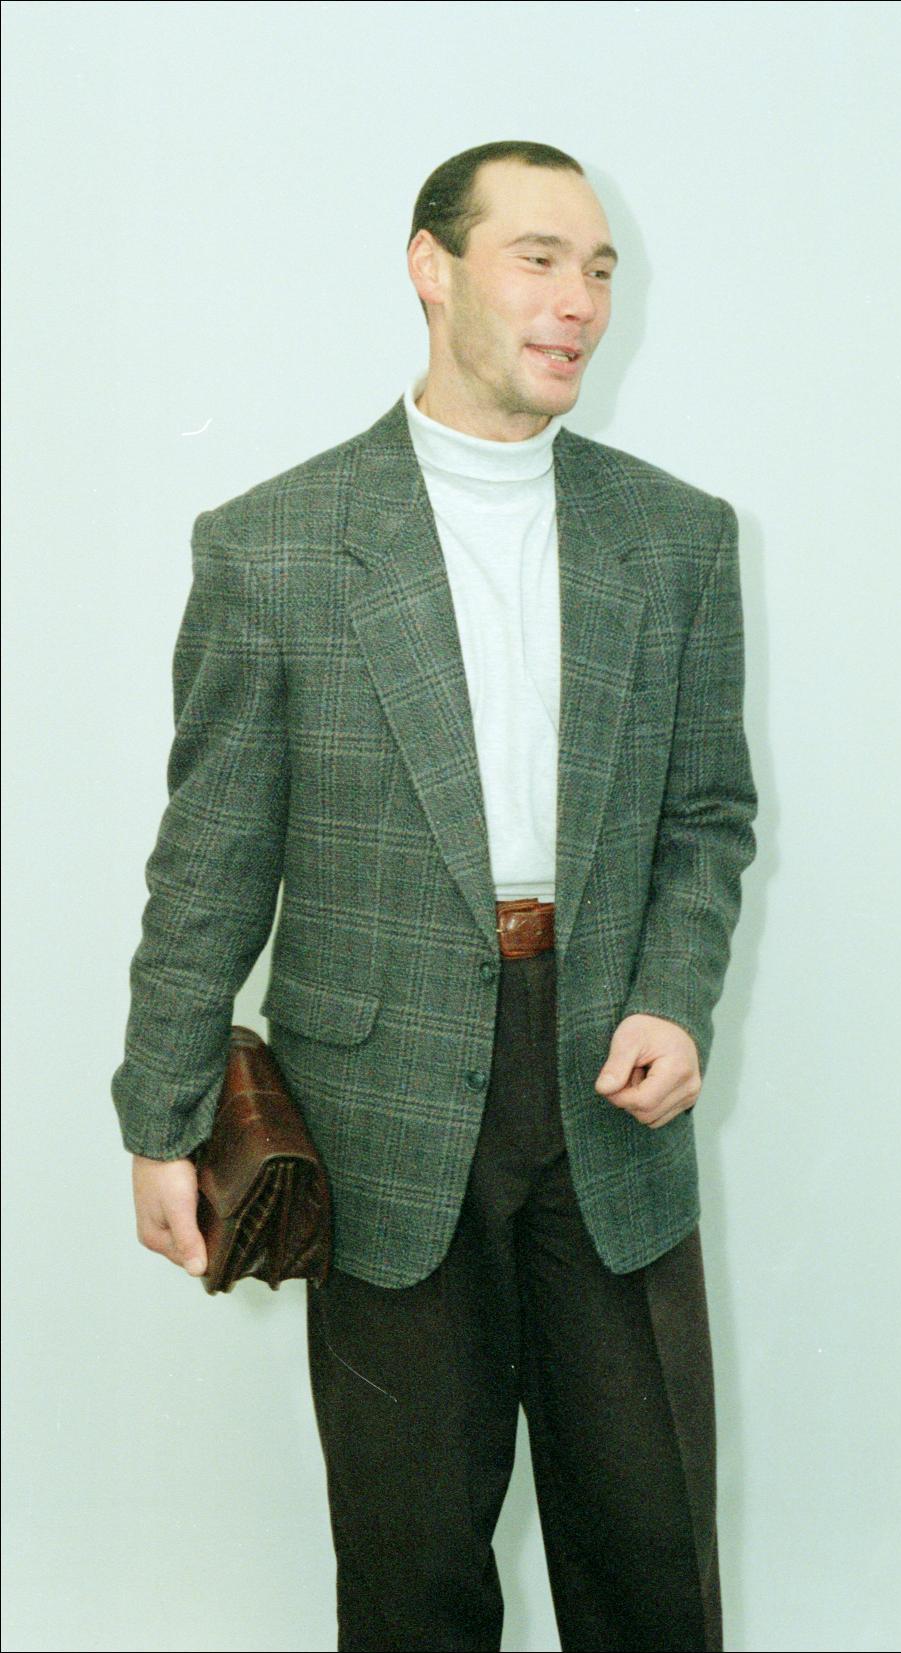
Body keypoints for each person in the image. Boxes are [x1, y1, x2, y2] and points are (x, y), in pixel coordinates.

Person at [114, 138, 758, 1653]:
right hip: (379, 1112)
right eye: (538, 258)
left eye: (599, 269)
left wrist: (674, 995)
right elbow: (209, 859)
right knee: (409, 1572)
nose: (579, 301)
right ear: (431, 268)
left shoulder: (676, 539)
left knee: (650, 1554)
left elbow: (708, 815)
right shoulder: (273, 547)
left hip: (609, 1089)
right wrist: (158, 1117)